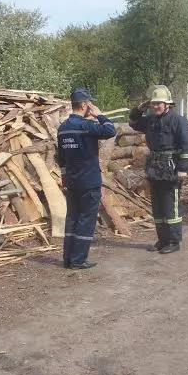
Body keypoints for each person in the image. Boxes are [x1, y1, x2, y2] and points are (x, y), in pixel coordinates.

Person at [128, 84, 188, 254]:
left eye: (159, 103)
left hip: (171, 167)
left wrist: (182, 168)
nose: (156, 106)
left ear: (167, 104)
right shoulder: (150, 119)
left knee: (170, 205)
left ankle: (174, 241)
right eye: (154, 104)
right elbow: (134, 123)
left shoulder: (178, 120)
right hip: (154, 167)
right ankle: (163, 239)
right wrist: (139, 109)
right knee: (157, 206)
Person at [56, 88, 116, 269]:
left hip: (72, 181)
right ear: (84, 104)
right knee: (86, 220)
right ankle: (79, 259)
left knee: (72, 218)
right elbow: (110, 130)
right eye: (89, 103)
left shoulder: (63, 128)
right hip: (89, 181)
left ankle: (68, 258)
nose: (91, 106)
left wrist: (65, 178)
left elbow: (61, 158)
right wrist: (100, 115)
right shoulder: (86, 126)